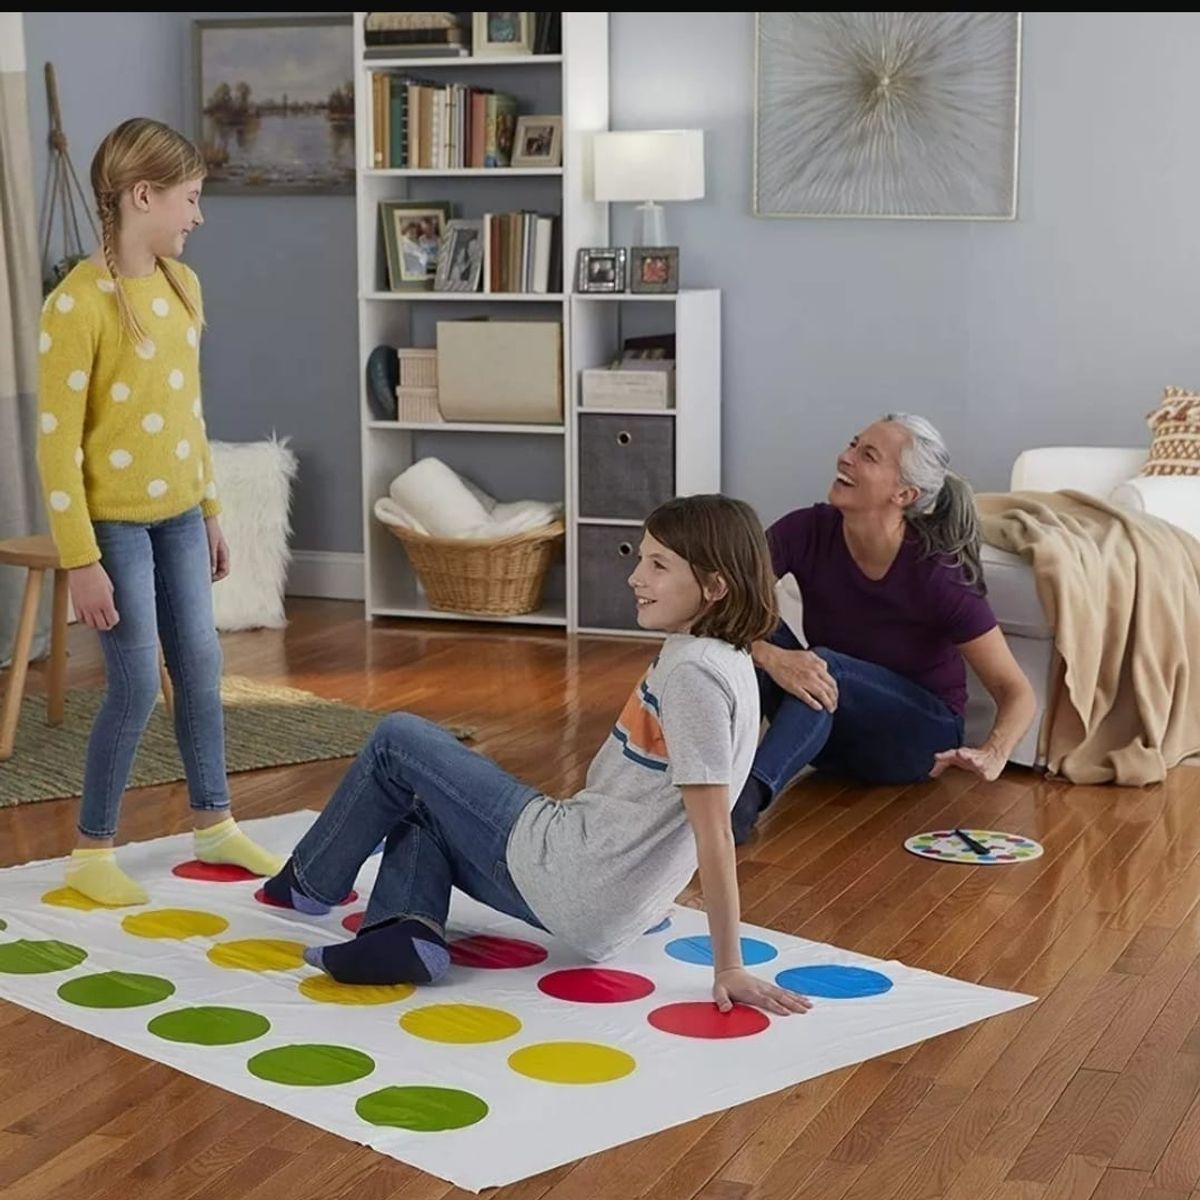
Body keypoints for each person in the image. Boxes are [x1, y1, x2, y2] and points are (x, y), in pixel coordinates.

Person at [264, 495, 813, 1016]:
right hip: (602, 900)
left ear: (715, 586)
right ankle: (401, 932)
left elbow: (714, 832)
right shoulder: (727, 659)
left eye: (658, 565)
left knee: (397, 738)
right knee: (425, 807)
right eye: (642, 559)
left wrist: (729, 966)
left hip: (574, 870)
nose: (635, 577)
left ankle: (306, 883)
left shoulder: (694, 675)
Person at [36, 118, 282, 905]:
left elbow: (187, 417)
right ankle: (91, 850)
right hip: (113, 530)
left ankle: (214, 821)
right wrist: (81, 561)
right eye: (191, 198)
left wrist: (209, 509)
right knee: (138, 682)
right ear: (143, 196)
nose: (198, 216)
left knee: (202, 668)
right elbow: (56, 451)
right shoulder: (76, 305)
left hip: (179, 516)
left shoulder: (183, 287)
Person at [731, 413, 1036, 844]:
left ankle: (739, 808)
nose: (846, 457)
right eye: (853, 444)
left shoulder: (939, 576)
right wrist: (770, 655)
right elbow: (724, 605)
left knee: (823, 665)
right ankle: (684, 777)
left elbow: (1015, 690)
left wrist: (994, 753)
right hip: (831, 733)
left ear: (904, 494)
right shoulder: (806, 530)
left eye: (868, 455)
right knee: (743, 626)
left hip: (915, 740)